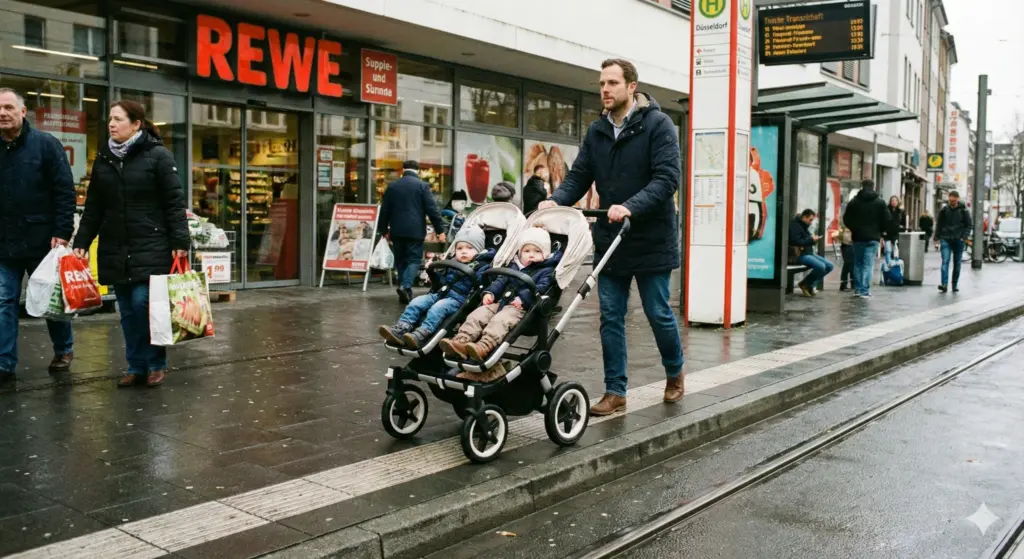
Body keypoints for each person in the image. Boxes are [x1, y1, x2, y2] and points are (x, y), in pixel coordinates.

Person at [538, 58, 684, 415]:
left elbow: (667, 179)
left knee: (658, 313)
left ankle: (675, 372)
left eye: (612, 83)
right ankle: (615, 391)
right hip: (611, 240)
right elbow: (580, 176)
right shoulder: (597, 131)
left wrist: (631, 205)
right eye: (602, 83)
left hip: (651, 239)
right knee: (611, 317)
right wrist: (554, 202)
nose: (605, 89)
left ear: (632, 87)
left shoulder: (658, 125)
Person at [72, 100, 189, 388]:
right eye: (110, 119)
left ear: (136, 124)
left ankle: (155, 363)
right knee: (126, 309)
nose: (111, 124)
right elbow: (94, 207)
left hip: (152, 244)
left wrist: (180, 241)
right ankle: (135, 365)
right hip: (115, 246)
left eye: (118, 119)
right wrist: (82, 241)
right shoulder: (104, 159)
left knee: (143, 303)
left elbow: (174, 204)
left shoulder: (159, 156)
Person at [0, 88, 76, 382]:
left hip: (43, 240)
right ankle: (4, 362)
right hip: (4, 242)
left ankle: (63, 348)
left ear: (22, 112)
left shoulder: (45, 145)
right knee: (4, 301)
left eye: (8, 107)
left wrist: (62, 231)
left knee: (50, 301)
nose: (2, 113)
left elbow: (64, 191)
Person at [440, 227, 560, 382]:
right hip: (502, 302)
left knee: (500, 321)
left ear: (545, 254)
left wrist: (523, 299)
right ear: (519, 252)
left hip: (521, 309)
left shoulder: (546, 270)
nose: (531, 254)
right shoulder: (513, 266)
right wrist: (490, 293)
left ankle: (484, 346)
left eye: (537, 251)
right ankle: (462, 341)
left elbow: (541, 288)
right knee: (478, 313)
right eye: (527, 250)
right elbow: (500, 281)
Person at [378, 225, 494, 349]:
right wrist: (432, 271)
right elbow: (441, 282)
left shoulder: (482, 266)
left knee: (438, 308)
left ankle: (422, 333)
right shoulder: (452, 261)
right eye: (459, 248)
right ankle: (402, 328)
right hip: (441, 293)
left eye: (469, 248)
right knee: (416, 302)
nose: (464, 251)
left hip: (458, 299)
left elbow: (482, 284)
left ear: (479, 250)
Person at [378, 160, 446, 304]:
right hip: (415, 230)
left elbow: (385, 210)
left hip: (396, 230)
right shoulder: (422, 186)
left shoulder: (393, 186)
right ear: (418, 170)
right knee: (414, 259)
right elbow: (432, 210)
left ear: (403, 170)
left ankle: (406, 292)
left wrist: (383, 229)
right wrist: (440, 230)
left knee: (401, 261)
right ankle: (406, 285)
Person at [842, 179, 890, 299]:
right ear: (873, 187)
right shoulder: (880, 202)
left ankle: (858, 289)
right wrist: (880, 231)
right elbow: (887, 219)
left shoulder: (854, 201)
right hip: (873, 238)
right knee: (868, 264)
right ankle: (864, 291)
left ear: (861, 186)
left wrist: (854, 228)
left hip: (858, 237)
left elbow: (846, 218)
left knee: (857, 263)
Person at [933, 190, 972, 293]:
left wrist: (963, 237)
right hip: (945, 238)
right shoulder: (944, 210)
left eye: (954, 201)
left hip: (958, 240)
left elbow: (968, 225)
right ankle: (944, 284)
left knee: (957, 263)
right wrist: (936, 238)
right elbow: (939, 225)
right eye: (951, 201)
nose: (952, 203)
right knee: (945, 261)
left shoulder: (964, 211)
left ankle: (954, 284)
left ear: (957, 199)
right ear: (949, 200)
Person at [789, 210, 834, 297]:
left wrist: (813, 239)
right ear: (804, 217)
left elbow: (806, 240)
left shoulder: (804, 226)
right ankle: (806, 284)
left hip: (808, 252)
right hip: (799, 255)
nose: (811, 222)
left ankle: (808, 284)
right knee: (821, 266)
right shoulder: (795, 226)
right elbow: (796, 241)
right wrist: (811, 239)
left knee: (829, 266)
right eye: (810, 219)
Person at [883, 196, 905, 267]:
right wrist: (883, 230)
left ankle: (895, 265)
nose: (894, 202)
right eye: (892, 200)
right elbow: (883, 221)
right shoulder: (886, 210)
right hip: (887, 233)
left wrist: (902, 227)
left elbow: (904, 223)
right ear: (890, 202)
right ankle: (889, 265)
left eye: (895, 200)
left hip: (896, 233)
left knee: (896, 251)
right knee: (888, 250)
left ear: (898, 202)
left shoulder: (901, 212)